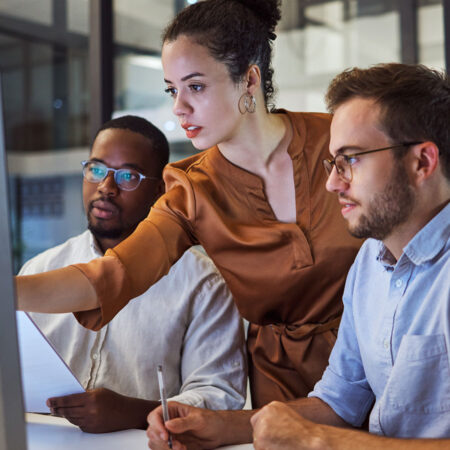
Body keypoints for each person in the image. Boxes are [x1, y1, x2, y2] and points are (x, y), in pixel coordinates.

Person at [16, 0, 360, 410]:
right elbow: (111, 275)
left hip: (377, 361)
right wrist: (9, 292)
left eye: (195, 86)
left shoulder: (338, 142)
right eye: (172, 89)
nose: (178, 107)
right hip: (282, 391)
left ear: (249, 80)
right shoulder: (190, 189)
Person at [148, 63, 450, 449]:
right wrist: (221, 426)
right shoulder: (370, 262)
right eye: (333, 163)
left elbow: (326, 430)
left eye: (351, 160)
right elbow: (339, 401)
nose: (332, 183)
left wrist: (320, 441)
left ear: (422, 162)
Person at [20, 115, 247, 433]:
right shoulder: (41, 269)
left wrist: (134, 413)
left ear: (159, 190)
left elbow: (220, 396)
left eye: (128, 176)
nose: (106, 187)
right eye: (96, 169)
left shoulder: (203, 283)